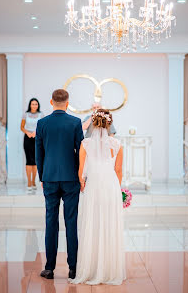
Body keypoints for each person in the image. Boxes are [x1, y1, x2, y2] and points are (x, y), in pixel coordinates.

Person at [71, 109, 125, 285]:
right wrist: (118, 190)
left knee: (92, 224)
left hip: (93, 186)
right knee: (109, 224)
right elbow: (118, 171)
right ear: (109, 123)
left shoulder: (85, 144)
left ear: (93, 124)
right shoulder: (117, 144)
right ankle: (110, 270)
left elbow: (81, 170)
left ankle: (92, 268)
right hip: (110, 187)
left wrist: (82, 184)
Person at [35, 89, 84, 280]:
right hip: (71, 178)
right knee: (71, 222)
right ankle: (73, 268)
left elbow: (40, 154)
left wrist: (42, 177)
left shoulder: (42, 123)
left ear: (51, 101)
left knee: (50, 222)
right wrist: (80, 176)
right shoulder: (75, 122)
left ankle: (49, 268)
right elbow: (81, 152)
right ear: (67, 102)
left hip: (49, 178)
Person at [21, 98, 44, 190]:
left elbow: (42, 127)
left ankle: (34, 182)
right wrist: (27, 133)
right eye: (32, 104)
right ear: (30, 105)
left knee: (35, 160)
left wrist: (36, 133)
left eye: (36, 104)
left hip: (37, 138)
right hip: (27, 138)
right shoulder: (25, 114)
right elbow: (22, 127)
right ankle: (29, 182)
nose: (34, 106)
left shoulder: (41, 114)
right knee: (28, 159)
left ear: (38, 105)